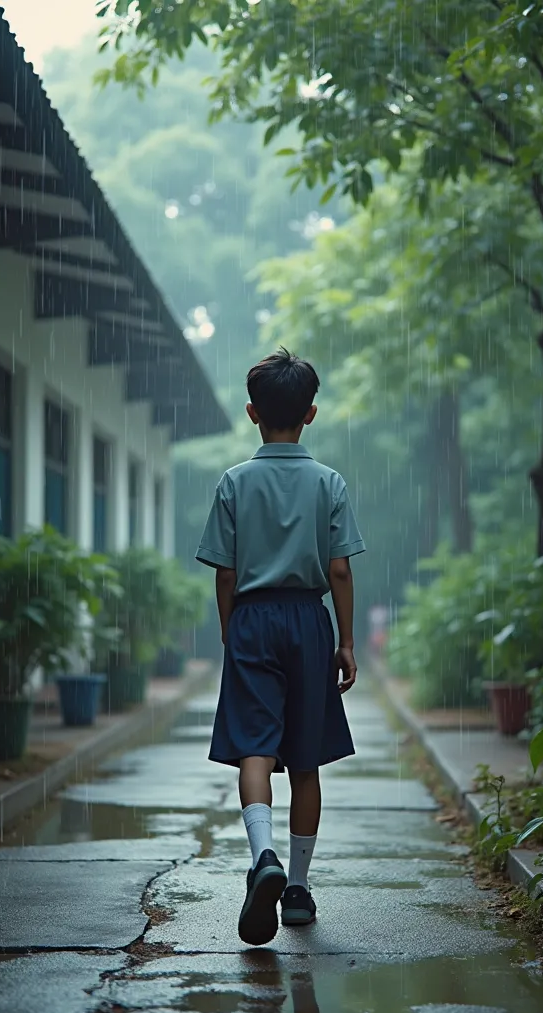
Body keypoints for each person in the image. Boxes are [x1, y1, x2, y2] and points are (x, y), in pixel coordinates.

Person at [196, 348, 365, 946]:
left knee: (254, 749)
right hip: (308, 621)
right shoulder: (329, 483)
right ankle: (295, 889)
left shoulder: (235, 483)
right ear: (311, 414)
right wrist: (346, 641)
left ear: (251, 414)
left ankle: (261, 855)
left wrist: (230, 627)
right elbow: (340, 570)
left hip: (252, 617)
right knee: (306, 759)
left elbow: (223, 571)